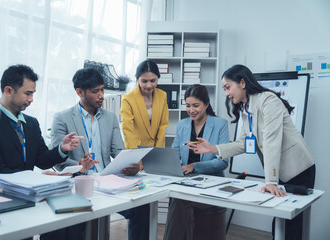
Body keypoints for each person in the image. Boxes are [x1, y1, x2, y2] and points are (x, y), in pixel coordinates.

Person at [188, 64, 315, 240]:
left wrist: (270, 181)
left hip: (298, 170)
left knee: (292, 226)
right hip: (280, 172)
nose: (226, 93)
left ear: (242, 82)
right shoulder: (246, 108)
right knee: (280, 225)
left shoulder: (268, 100)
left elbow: (271, 141)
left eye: (228, 87)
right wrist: (213, 148)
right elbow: (243, 143)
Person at [0, 64, 93, 240]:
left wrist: (62, 149)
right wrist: (37, 179)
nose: (31, 99)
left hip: (29, 196)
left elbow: (42, 160)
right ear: (8, 90)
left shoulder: (31, 123)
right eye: (27, 93)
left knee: (66, 221)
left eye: (33, 94)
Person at [51, 67, 150, 240]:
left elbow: (118, 151)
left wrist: (130, 165)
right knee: (74, 227)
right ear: (80, 92)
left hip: (107, 182)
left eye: (102, 90)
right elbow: (57, 161)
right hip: (79, 186)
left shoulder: (110, 117)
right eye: (95, 91)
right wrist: (79, 167)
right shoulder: (62, 118)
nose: (101, 95)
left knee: (141, 207)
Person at [163, 84, 229, 240]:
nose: (191, 110)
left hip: (212, 183)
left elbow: (223, 163)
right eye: (187, 105)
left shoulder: (220, 124)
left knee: (179, 200)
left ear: (206, 104)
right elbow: (175, 152)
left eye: (196, 105)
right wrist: (171, 164)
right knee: (176, 197)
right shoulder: (182, 125)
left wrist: (194, 167)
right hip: (187, 180)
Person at [120, 60, 169, 151]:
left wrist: (157, 151)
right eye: (144, 81)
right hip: (135, 149)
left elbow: (163, 126)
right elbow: (128, 131)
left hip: (156, 149)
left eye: (153, 80)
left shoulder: (162, 96)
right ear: (138, 79)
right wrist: (135, 155)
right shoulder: (127, 99)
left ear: (158, 78)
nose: (149, 85)